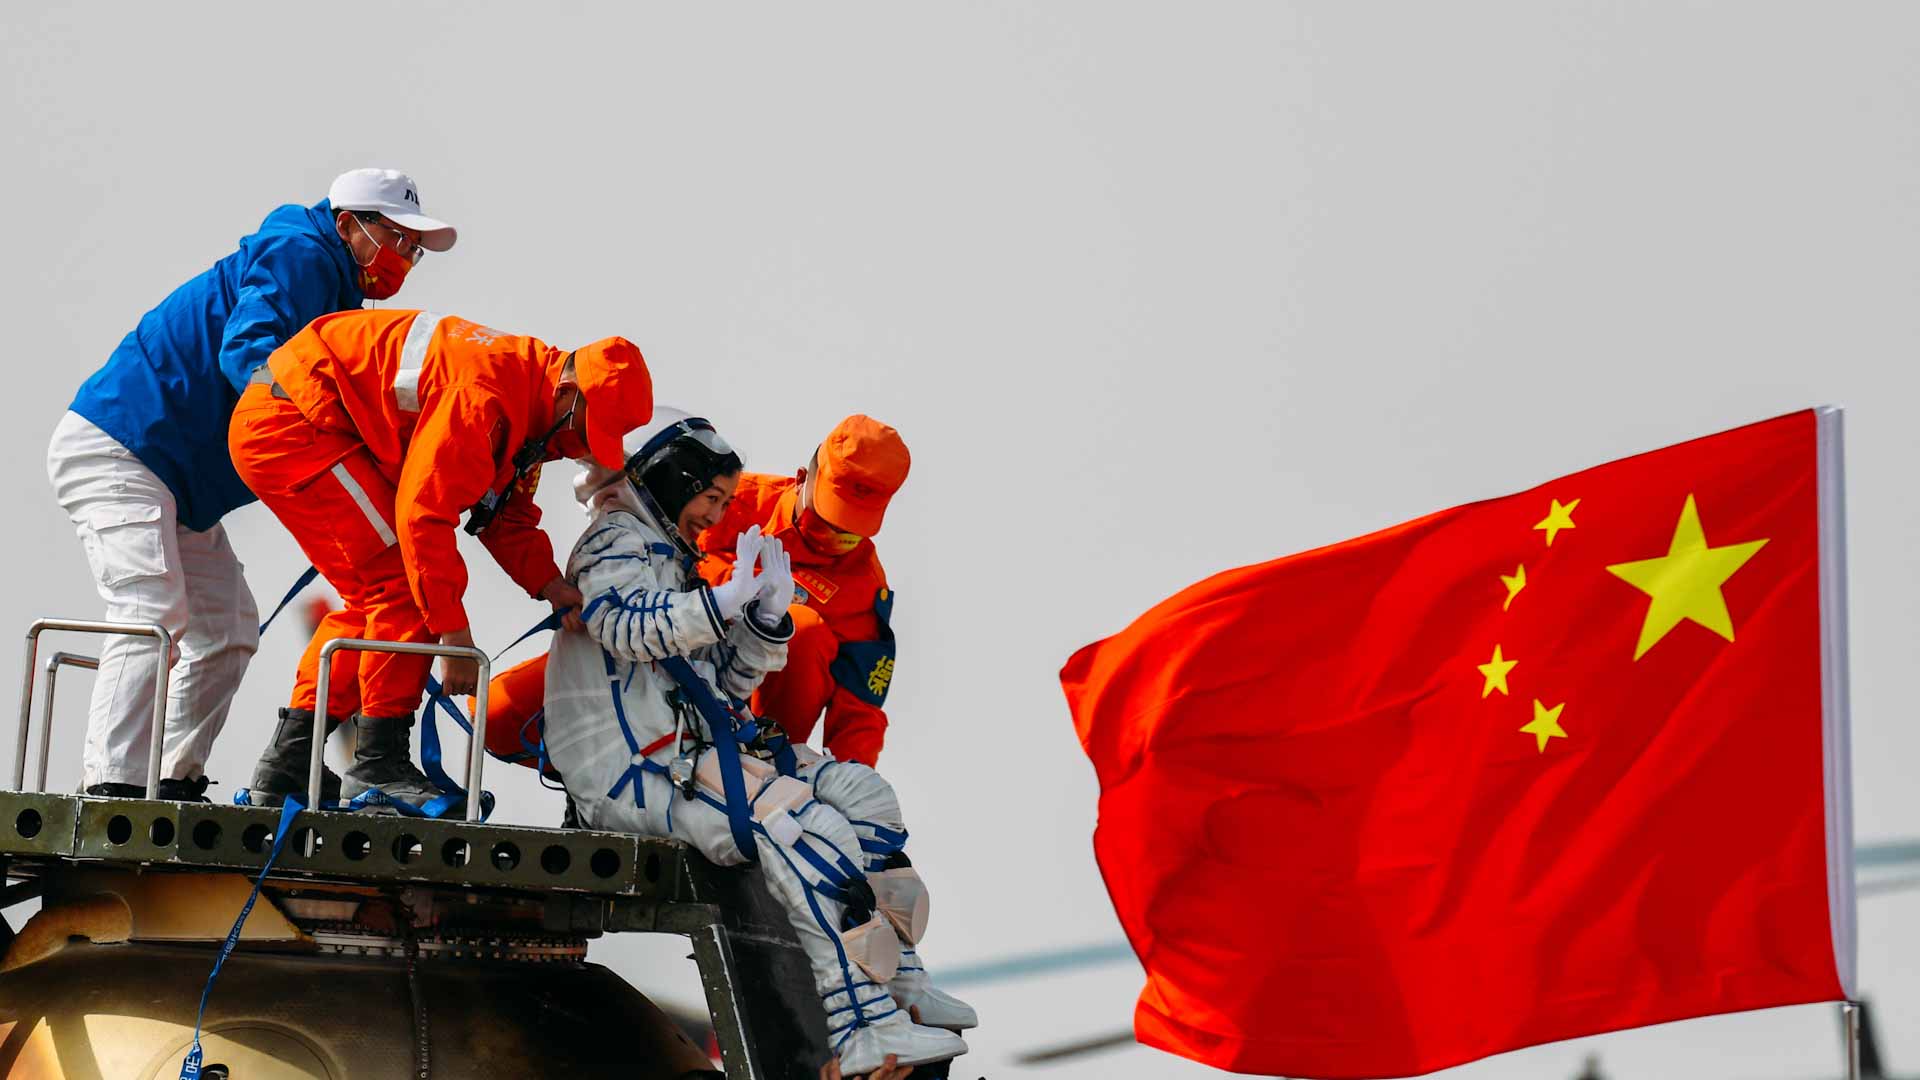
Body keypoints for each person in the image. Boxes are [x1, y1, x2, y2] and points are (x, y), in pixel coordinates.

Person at [540, 410, 971, 1075]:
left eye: (719, 502)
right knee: (804, 828)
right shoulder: (620, 545)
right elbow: (626, 628)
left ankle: (900, 980)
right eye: (707, 500)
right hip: (639, 762)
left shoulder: (680, 556)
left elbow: (721, 685)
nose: (714, 516)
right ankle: (857, 1021)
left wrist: (763, 624)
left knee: (865, 797)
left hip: (707, 735)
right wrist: (726, 602)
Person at [47, 168, 456, 800]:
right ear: (350, 225)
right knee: (151, 608)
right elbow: (249, 353)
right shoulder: (302, 255)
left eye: (414, 250)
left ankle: (170, 781)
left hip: (174, 482)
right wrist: (324, 435)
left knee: (231, 628)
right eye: (397, 240)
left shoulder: (331, 286)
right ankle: (112, 789)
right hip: (125, 446)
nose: (405, 260)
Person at [229, 308, 652, 812]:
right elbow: (422, 517)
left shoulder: (533, 413)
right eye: (585, 432)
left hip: (315, 425)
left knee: (378, 600)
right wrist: (454, 637)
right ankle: (378, 763)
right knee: (404, 587)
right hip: (294, 424)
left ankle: (288, 760)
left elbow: (506, 516)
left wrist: (550, 584)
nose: (577, 449)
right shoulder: (486, 396)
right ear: (566, 394)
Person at [698, 416, 910, 766]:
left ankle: (767, 765)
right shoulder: (729, 500)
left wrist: (854, 789)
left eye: (850, 533)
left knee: (803, 627)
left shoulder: (865, 585)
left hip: (759, 737)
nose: (834, 542)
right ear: (801, 480)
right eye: (826, 523)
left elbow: (859, 712)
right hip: (678, 678)